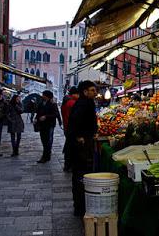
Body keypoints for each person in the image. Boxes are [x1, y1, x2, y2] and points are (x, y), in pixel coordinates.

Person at [68, 80, 98, 216]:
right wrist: (79, 137)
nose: (95, 92)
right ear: (85, 92)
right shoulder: (83, 104)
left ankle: (80, 205)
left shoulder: (86, 103)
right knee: (81, 174)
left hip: (83, 143)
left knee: (81, 175)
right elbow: (74, 122)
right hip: (81, 146)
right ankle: (80, 207)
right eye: (92, 90)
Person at [35, 90, 59, 163]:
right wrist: (36, 118)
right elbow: (38, 112)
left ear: (47, 96)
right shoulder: (41, 103)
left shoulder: (53, 104)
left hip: (49, 125)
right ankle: (47, 155)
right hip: (42, 125)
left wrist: (46, 116)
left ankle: (45, 156)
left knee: (47, 141)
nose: (42, 96)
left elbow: (56, 114)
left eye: (43, 95)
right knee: (43, 140)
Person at [60, 86, 79, 172]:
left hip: (67, 127)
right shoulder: (72, 103)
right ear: (74, 94)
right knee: (71, 148)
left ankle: (67, 165)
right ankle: (69, 165)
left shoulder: (66, 102)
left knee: (68, 146)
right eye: (78, 94)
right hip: (71, 128)